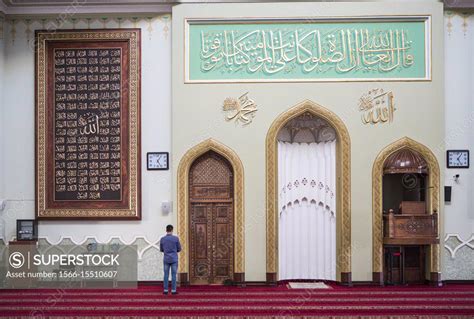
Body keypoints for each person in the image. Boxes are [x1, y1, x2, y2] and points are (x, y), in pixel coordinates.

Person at [160, 224, 181, 295]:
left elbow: (161, 249)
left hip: (166, 259)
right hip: (174, 259)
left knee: (166, 274)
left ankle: (165, 290)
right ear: (172, 230)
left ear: (166, 230)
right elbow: (179, 249)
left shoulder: (162, 239)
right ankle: (173, 290)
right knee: (173, 275)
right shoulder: (176, 238)